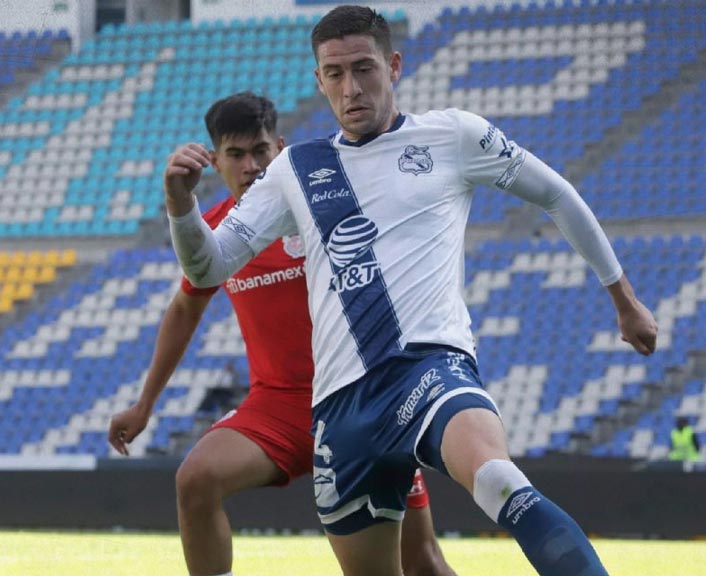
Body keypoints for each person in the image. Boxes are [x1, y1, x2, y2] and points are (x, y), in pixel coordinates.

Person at [163, 7, 659, 576]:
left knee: (496, 477)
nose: (351, 88)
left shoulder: (452, 134)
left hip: (427, 368)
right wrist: (182, 207)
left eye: (364, 68)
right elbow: (207, 268)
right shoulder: (296, 169)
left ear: (393, 65)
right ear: (318, 80)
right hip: (339, 411)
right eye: (335, 74)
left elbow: (556, 193)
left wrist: (622, 296)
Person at [109, 92, 457, 576]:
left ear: (281, 148)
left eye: (260, 152)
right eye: (236, 155)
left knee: (421, 563)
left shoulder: (322, 210)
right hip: (278, 406)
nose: (251, 166)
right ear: (214, 162)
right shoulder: (212, 234)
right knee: (196, 479)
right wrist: (145, 403)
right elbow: (185, 308)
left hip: (358, 399)